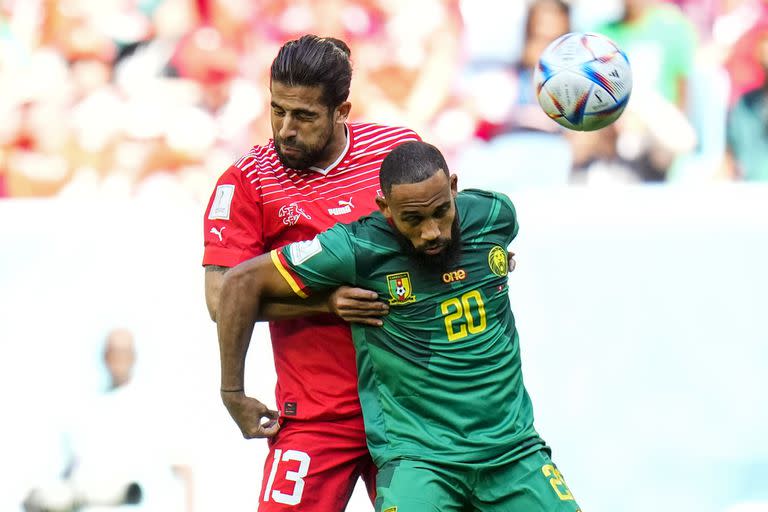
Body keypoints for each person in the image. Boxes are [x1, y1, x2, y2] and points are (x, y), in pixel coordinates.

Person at [215, 141, 580, 511]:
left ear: (454, 188)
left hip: (514, 452)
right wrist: (233, 391)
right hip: (421, 461)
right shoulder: (356, 247)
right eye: (413, 219)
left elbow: (486, 252)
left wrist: (493, 263)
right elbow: (238, 283)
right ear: (384, 208)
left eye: (441, 212)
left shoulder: (495, 216)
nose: (432, 232)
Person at [202, 34, 420, 511]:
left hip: (410, 407)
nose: (285, 129)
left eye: (303, 115)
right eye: (277, 110)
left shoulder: (396, 151)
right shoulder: (246, 182)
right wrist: (324, 302)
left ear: (341, 110)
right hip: (318, 416)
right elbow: (221, 299)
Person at [24, 328, 194, 512]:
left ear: (133, 357)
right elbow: (70, 472)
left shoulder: (155, 407)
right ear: (104, 357)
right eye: (113, 352)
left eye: (124, 352)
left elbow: (184, 469)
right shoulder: (86, 411)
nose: (118, 359)